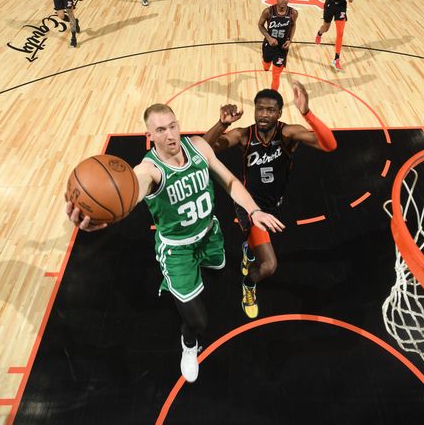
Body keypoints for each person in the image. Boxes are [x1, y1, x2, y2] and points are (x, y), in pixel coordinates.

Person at [66, 104, 284, 382]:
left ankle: (190, 284)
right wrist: (105, 213)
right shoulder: (149, 170)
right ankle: (189, 345)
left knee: (218, 273)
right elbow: (132, 191)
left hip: (209, 233)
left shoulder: (197, 147)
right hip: (177, 250)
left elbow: (228, 180)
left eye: (172, 126)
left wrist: (254, 210)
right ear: (150, 136)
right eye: (160, 130)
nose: (170, 135)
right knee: (197, 322)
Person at [202, 83, 336, 318]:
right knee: (269, 266)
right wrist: (222, 123)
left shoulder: (288, 134)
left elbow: (329, 145)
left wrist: (307, 114)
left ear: (279, 113)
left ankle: (248, 250)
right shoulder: (244, 135)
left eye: (270, 110)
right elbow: (202, 149)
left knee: (254, 245)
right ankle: (249, 284)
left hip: (273, 205)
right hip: (249, 206)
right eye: (260, 109)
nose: (264, 114)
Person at [258, 0, 298, 91]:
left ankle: (273, 97)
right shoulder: (268, 11)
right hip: (269, 44)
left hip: (282, 48)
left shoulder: (293, 13)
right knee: (266, 66)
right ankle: (265, 62)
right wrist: (269, 38)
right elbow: (260, 25)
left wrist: (290, 40)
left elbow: (293, 25)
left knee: (276, 75)